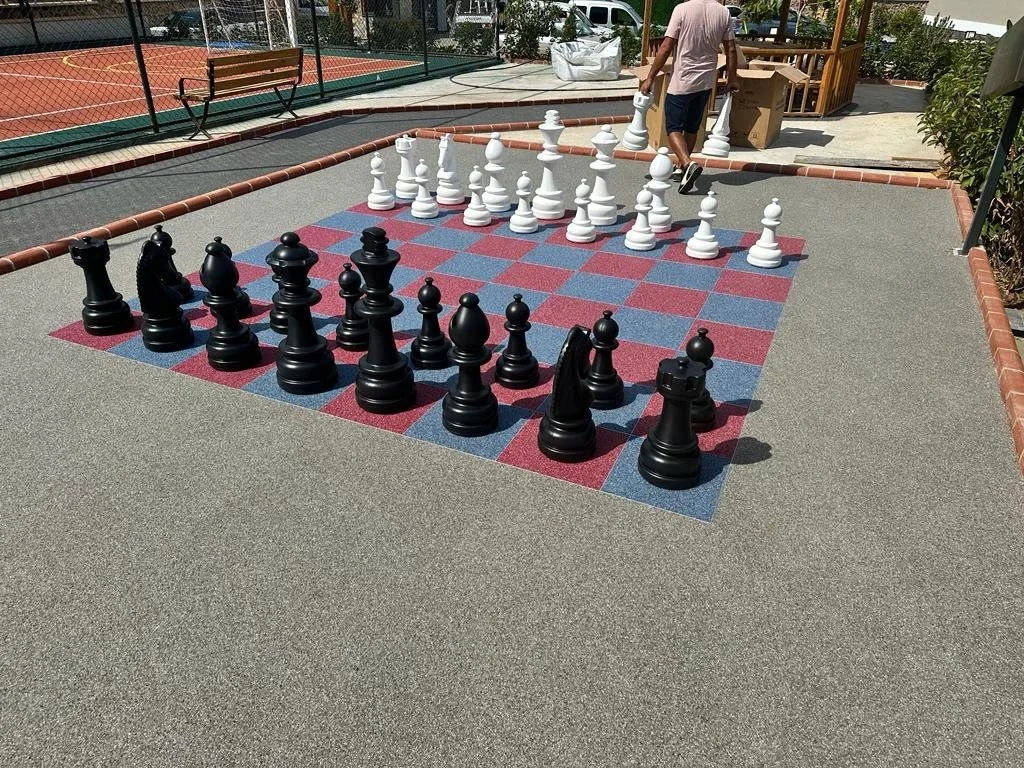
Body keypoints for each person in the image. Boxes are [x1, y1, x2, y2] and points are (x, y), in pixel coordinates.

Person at [640, 0, 740, 194]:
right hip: (706, 80)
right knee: (692, 126)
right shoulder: (723, 13)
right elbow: (731, 49)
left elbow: (666, 46)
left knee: (673, 127)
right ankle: (681, 168)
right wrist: (732, 78)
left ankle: (687, 163)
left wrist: (650, 77)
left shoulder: (682, 9)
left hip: (682, 80)